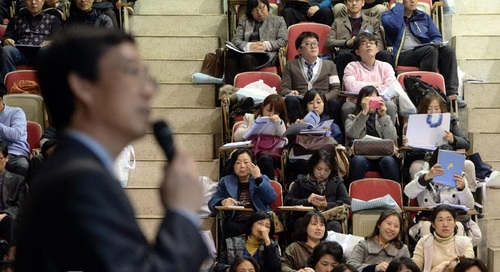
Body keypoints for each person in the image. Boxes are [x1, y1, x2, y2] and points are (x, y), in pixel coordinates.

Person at [15, 27, 209, 271]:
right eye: (131, 72)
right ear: (84, 87)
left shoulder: (75, 171)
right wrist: (183, 213)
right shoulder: (84, 181)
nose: (149, 90)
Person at [381, 0, 467, 108]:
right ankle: (427, 93)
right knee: (430, 51)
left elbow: (436, 36)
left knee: (448, 51)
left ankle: (451, 94)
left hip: (426, 50)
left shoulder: (423, 16)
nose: (413, 1)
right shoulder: (387, 15)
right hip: (403, 54)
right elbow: (393, 26)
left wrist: (435, 43)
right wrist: (399, 6)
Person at [404, 147, 481, 246]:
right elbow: (408, 193)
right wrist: (426, 178)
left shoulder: (460, 177)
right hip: (429, 218)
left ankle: (456, 261)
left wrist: (463, 188)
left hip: (454, 218)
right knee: (427, 227)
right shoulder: (423, 175)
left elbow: (469, 205)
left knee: (457, 226)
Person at [406, 93, 477, 192]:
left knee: (469, 165)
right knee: (415, 167)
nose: (433, 112)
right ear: (424, 109)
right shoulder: (416, 123)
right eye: (429, 109)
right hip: (425, 159)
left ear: (441, 109)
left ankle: (470, 197)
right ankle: (421, 199)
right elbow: (408, 151)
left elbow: (466, 144)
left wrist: (453, 139)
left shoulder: (450, 121)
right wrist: (408, 143)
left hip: (448, 158)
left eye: (436, 108)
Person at [209, 148, 277, 239]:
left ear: (253, 165)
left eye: (246, 162)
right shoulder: (226, 181)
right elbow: (212, 203)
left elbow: (271, 198)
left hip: (258, 220)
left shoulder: (261, 179)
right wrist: (223, 202)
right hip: (237, 221)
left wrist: (258, 179)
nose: (242, 166)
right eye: (238, 163)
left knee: (259, 227)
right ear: (233, 166)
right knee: (230, 226)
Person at [0, 0, 62, 95]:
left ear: (43, 1)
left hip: (41, 54)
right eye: (29, 0)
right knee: (6, 50)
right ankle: (10, 89)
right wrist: (7, 40)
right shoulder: (16, 19)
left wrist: (50, 42)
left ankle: (47, 91)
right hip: (21, 53)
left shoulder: (53, 19)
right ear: (24, 2)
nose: (33, 2)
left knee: (46, 50)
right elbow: (7, 37)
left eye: (37, 0)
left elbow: (58, 40)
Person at [281, 31, 342, 128]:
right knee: (290, 100)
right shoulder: (290, 65)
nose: (313, 46)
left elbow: (336, 89)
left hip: (323, 103)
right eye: (308, 44)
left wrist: (320, 100)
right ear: (299, 50)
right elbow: (284, 89)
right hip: (301, 103)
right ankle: (295, 132)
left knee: (334, 102)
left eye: (315, 43)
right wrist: (291, 92)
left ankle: (335, 135)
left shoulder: (329, 65)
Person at [326, 0, 393, 86]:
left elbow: (379, 42)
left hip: (369, 54)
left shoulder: (373, 21)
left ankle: (390, 89)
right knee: (342, 55)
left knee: (385, 54)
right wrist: (347, 42)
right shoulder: (338, 22)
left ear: (363, 3)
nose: (354, 3)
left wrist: (371, 51)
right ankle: (341, 90)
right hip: (350, 54)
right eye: (350, 1)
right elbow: (329, 42)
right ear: (346, 4)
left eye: (357, 0)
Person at [284, 149, 350, 234]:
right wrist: (307, 201)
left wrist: (327, 205)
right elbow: (287, 201)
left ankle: (328, 247)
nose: (322, 173)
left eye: (327, 170)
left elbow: (347, 201)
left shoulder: (336, 182)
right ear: (313, 166)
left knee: (335, 226)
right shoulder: (301, 181)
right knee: (302, 225)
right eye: (319, 169)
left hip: (328, 218)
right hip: (305, 218)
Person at [344, 86, 400, 185]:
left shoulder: (384, 117)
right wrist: (364, 112)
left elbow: (392, 138)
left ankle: (395, 196)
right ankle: (353, 197)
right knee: (357, 161)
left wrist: (383, 116)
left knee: (389, 162)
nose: (371, 102)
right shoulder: (352, 117)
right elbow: (352, 134)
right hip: (361, 154)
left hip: (383, 154)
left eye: (374, 99)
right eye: (367, 99)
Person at [225, 0, 287, 85]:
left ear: (267, 6)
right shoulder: (245, 21)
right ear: (250, 11)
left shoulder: (278, 20)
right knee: (231, 55)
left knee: (247, 58)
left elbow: (283, 40)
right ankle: (229, 91)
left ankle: (250, 90)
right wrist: (248, 46)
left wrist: (266, 45)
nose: (259, 12)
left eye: (262, 8)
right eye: (255, 10)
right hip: (246, 51)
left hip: (266, 55)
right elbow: (236, 39)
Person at [342, 32, 398, 125]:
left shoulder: (386, 66)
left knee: (390, 105)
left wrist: (368, 93)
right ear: (357, 52)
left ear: (377, 49)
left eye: (371, 43)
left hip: (381, 101)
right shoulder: (351, 66)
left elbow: (390, 88)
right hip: (357, 103)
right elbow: (351, 86)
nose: (368, 45)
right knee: (347, 107)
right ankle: (350, 138)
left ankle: (389, 138)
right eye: (363, 43)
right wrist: (374, 85)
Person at [233, 94, 288, 180]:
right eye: (269, 110)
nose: (271, 115)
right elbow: (237, 137)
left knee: (265, 159)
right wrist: (252, 128)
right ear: (262, 107)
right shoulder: (249, 118)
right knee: (236, 158)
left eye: (276, 112)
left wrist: (279, 123)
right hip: (251, 151)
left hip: (269, 154)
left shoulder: (279, 123)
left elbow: (284, 138)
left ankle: (267, 187)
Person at [412, 204, 475, 272]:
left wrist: (445, 264)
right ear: (433, 224)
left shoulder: (465, 243)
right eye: (440, 220)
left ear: (454, 222)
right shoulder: (424, 242)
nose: (445, 224)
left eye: (449, 220)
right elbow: (414, 268)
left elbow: (468, 266)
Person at [215, 212, 281, 272]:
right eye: (260, 223)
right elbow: (218, 267)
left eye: (267, 226)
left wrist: (267, 240)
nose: (263, 228)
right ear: (251, 226)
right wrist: (232, 269)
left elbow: (275, 268)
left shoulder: (272, 245)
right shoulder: (232, 242)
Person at [0, 141, 27, 261]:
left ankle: (11, 261)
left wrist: (4, 214)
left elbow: (20, 206)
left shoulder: (18, 180)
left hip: (6, 218)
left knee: (9, 221)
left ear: (7, 158)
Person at [0, 95, 30, 178]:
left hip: (15, 154)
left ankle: (20, 190)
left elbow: (15, 135)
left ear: (1, 100)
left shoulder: (16, 112)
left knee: (21, 164)